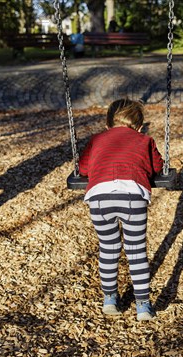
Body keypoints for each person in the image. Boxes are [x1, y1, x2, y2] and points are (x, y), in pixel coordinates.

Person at [78, 99, 164, 321]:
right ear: (138, 127)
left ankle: (109, 298)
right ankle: (143, 305)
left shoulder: (96, 140)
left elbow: (83, 169)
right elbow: (157, 168)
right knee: (136, 250)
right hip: (132, 197)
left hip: (99, 197)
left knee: (108, 247)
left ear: (107, 125)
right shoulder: (145, 140)